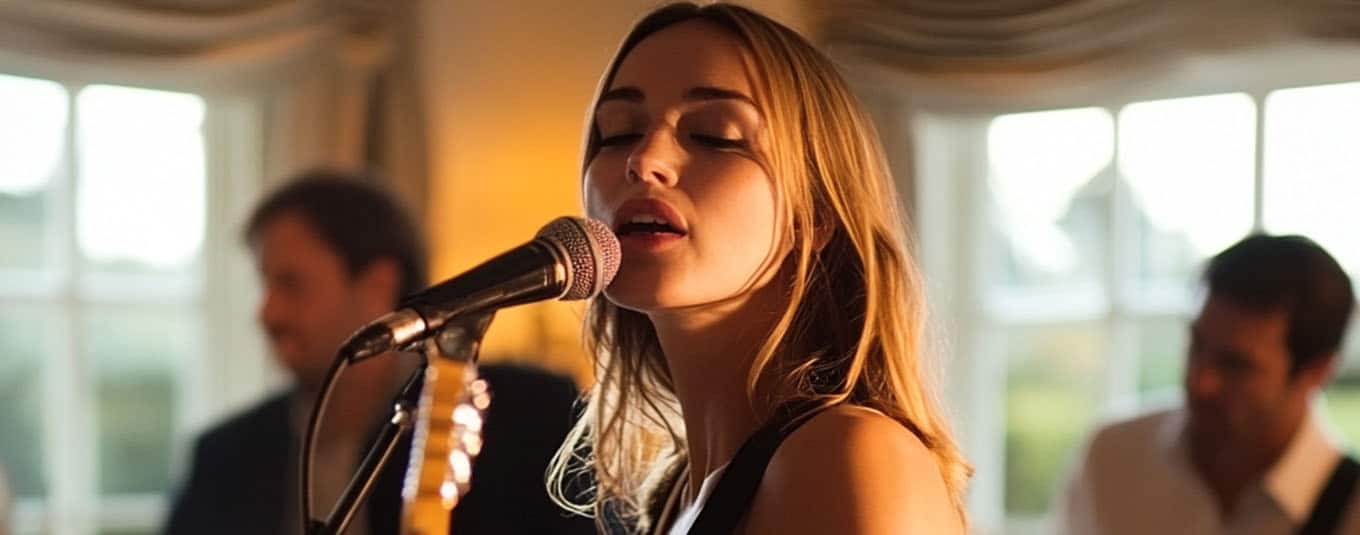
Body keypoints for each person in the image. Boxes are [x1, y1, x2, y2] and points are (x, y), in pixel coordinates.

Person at [543, 4, 970, 534]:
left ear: (814, 217)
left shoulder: (851, 456)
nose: (644, 159)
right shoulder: (676, 496)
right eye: (619, 132)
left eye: (715, 135)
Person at [165, 170, 595, 535]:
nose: (267, 312)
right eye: (265, 285)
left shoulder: (531, 415)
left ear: (377, 285)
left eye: (291, 285)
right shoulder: (224, 457)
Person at [1059, 234, 1360, 534]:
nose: (1200, 382)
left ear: (1316, 372)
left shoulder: (1351, 512)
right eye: (1196, 345)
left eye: (1236, 365)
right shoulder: (1114, 457)